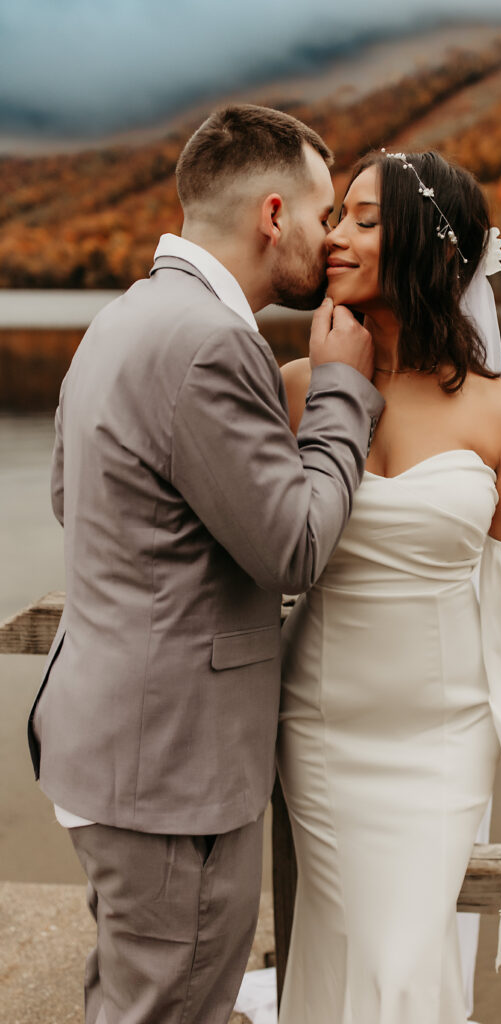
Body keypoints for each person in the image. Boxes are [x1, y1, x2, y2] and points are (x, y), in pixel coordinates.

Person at [27, 104, 385, 1024]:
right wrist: (342, 390)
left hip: (108, 748)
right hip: (171, 775)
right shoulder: (213, 343)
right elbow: (295, 544)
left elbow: (75, 503)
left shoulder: (122, 319)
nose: (330, 235)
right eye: (320, 213)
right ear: (273, 215)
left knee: (135, 1001)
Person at [276, 149, 501, 1023]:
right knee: (335, 939)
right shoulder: (293, 389)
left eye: (362, 218)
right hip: (314, 721)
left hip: (438, 733)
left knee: (405, 955)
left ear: (428, 244)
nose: (333, 235)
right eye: (336, 214)